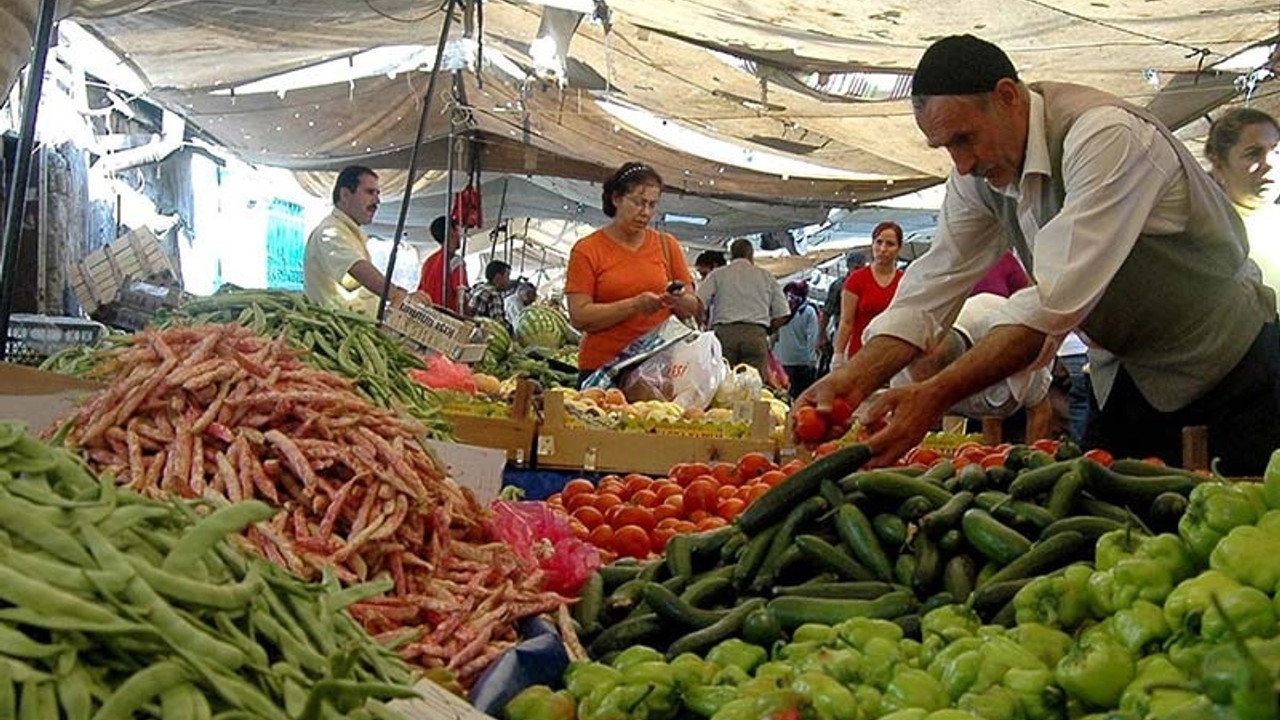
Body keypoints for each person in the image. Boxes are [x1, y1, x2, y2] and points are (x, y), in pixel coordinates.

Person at [797, 34, 1278, 475]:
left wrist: (932, 395)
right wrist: (855, 379)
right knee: (1122, 532)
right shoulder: (977, 176)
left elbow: (1047, 306)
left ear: (1008, 97)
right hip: (1127, 377)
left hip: (1228, 368)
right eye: (945, 147)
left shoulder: (1105, 137)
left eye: (964, 138)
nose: (961, 164)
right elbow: (931, 287)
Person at [563, 162, 701, 386]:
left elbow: (692, 306)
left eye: (652, 205)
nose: (645, 212)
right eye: (638, 202)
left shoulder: (667, 245)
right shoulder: (587, 250)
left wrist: (679, 299)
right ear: (617, 199)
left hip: (658, 370)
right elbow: (579, 316)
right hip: (602, 369)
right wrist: (634, 306)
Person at [894, 293, 1053, 441]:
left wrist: (1033, 460)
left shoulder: (1013, 344)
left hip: (1015, 388)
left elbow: (1039, 411)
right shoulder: (907, 359)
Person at [303, 166, 421, 315]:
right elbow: (358, 268)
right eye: (370, 192)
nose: (377, 201)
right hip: (338, 334)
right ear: (345, 195)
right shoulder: (329, 232)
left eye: (378, 193)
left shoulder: (350, 234)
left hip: (357, 329)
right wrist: (397, 295)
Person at [1205, 108, 1280, 311]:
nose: (1269, 164)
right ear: (1219, 167)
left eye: (1276, 151)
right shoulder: (1214, 237)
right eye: (1254, 154)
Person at [696, 238, 789, 380]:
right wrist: (769, 330)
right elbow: (783, 313)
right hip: (755, 335)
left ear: (731, 255)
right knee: (753, 387)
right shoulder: (766, 276)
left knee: (723, 385)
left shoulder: (718, 274)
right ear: (751, 255)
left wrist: (700, 323)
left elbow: (698, 302)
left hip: (724, 335)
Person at [832, 222, 905, 369]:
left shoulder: (905, 281)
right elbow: (846, 321)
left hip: (894, 357)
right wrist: (838, 355)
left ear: (899, 248)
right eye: (878, 242)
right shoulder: (856, 280)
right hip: (859, 355)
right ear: (872, 244)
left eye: (890, 244)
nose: (883, 249)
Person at [818, 252, 865, 374]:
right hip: (844, 334)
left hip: (865, 334)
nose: (859, 271)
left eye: (862, 268)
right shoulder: (839, 285)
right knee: (843, 371)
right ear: (848, 267)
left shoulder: (867, 284)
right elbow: (827, 312)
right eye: (856, 268)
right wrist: (821, 335)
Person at [773, 281, 820, 398]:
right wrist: (813, 360)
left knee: (784, 397)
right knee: (802, 399)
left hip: (782, 361)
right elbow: (812, 337)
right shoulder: (808, 311)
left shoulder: (782, 312)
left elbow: (774, 335)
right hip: (803, 363)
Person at [417, 215, 469, 315]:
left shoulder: (428, 262)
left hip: (429, 318)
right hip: (447, 321)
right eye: (457, 230)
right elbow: (461, 299)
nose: (460, 235)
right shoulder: (455, 261)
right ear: (451, 232)